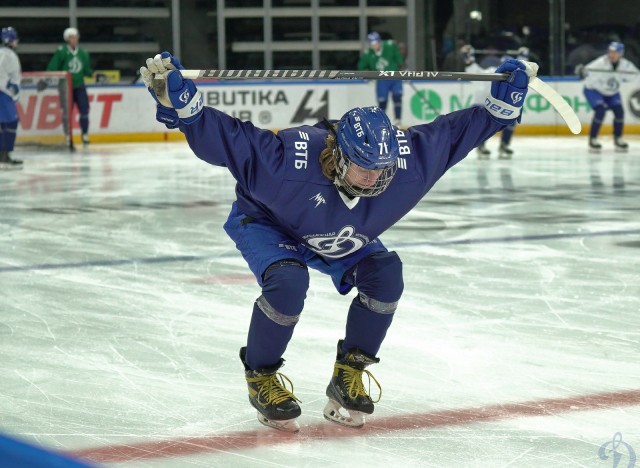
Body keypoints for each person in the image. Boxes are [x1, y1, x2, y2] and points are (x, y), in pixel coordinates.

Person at [140, 51, 535, 432]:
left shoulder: (405, 165)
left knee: (386, 275)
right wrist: (186, 110)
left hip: (342, 235)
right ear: (340, 155)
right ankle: (260, 375)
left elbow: (452, 134)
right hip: (269, 224)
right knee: (289, 282)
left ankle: (348, 373)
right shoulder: (285, 162)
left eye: (380, 170)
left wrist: (499, 107)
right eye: (364, 168)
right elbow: (228, 140)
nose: (374, 180)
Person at [578, 41, 639, 152]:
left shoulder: (626, 65)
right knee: (600, 110)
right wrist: (581, 71)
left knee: (619, 112)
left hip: (611, 92)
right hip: (593, 90)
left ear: (621, 54)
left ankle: (618, 138)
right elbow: (586, 71)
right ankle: (593, 139)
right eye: (610, 52)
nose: (611, 54)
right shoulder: (601, 63)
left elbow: (636, 75)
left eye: (615, 52)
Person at [47, 27, 93, 145]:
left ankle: (84, 134)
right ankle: (68, 135)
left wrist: (94, 74)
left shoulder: (83, 53)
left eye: (76, 36)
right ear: (68, 39)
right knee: (67, 112)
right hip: (65, 87)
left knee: (84, 111)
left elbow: (87, 71)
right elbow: (52, 68)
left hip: (79, 86)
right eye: (72, 37)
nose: (75, 39)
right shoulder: (61, 52)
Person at [357, 32, 405, 126]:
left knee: (397, 97)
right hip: (381, 79)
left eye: (375, 43)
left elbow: (399, 59)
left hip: (395, 76)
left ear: (379, 42)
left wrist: (402, 68)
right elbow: (361, 66)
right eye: (372, 44)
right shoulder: (368, 53)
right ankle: (381, 122)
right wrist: (368, 76)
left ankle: (398, 120)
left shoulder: (390, 46)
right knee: (382, 102)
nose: (374, 46)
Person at [460, 44, 495, 159]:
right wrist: (468, 54)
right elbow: (470, 64)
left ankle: (501, 144)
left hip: (492, 106)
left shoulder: (500, 74)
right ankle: (480, 145)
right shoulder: (481, 73)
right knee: (481, 128)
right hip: (481, 105)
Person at [497, 47, 531, 159]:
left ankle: (504, 144)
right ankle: (482, 144)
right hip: (503, 96)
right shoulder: (508, 61)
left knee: (511, 123)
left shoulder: (527, 69)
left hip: (513, 98)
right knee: (492, 124)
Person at [0, 26, 22, 168]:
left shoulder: (5, 53)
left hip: (3, 91)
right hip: (3, 93)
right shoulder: (7, 55)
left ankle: (3, 154)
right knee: (11, 122)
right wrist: (10, 87)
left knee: (4, 123)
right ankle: (5, 154)